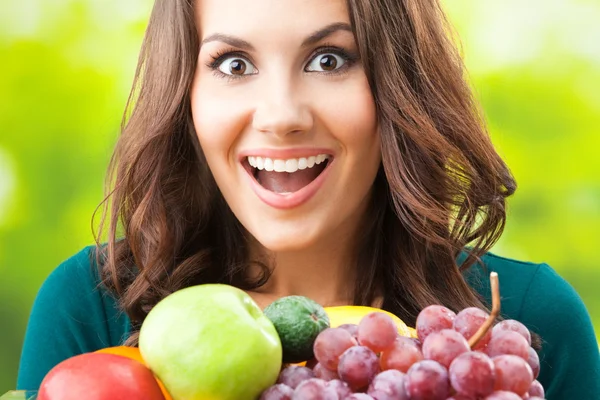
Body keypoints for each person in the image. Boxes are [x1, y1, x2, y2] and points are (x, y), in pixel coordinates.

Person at [16, 0, 599, 398]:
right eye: (234, 64)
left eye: (329, 60)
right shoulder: (89, 309)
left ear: (400, 85)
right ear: (185, 97)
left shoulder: (528, 324)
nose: (282, 117)